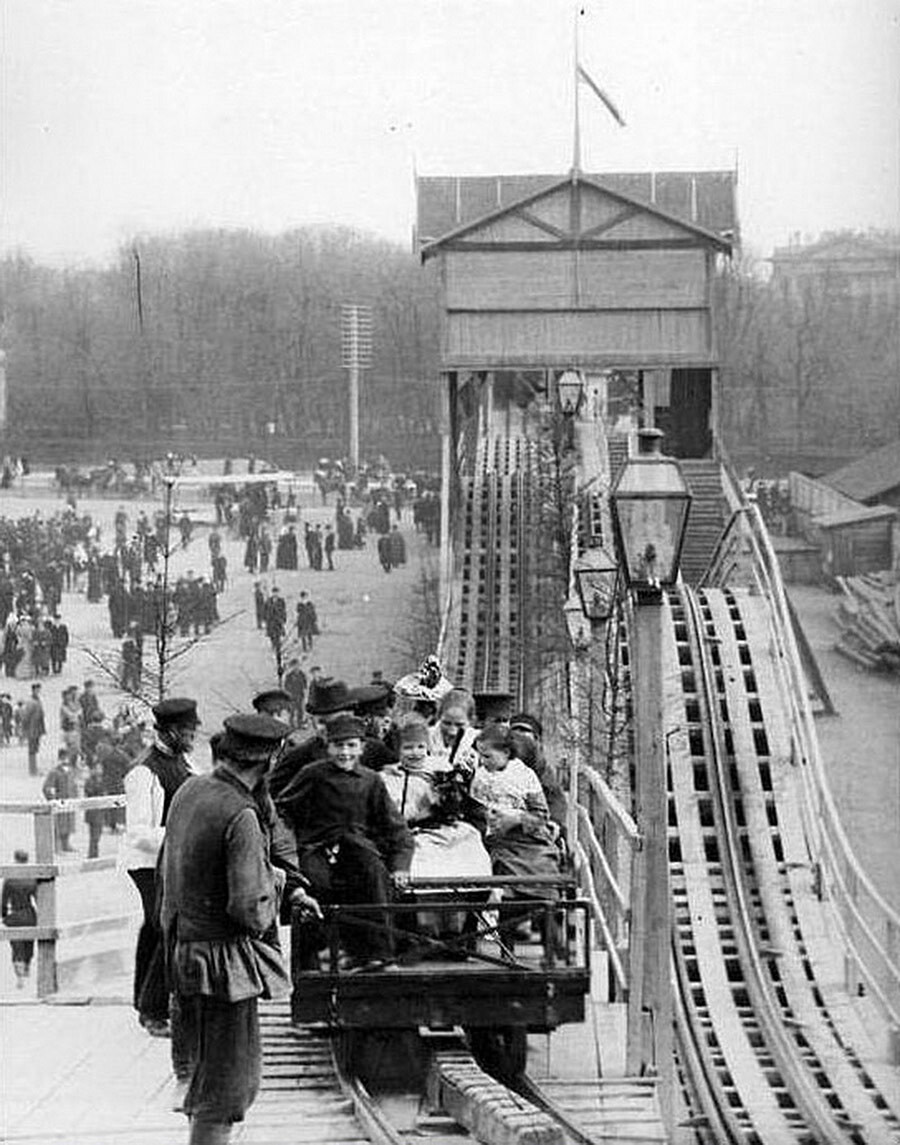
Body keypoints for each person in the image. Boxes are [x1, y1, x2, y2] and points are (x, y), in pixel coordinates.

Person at [161, 714, 319, 1145]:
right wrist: (280, 884)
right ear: (267, 762)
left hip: (184, 952)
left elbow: (175, 873)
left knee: (201, 1075)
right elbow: (249, 908)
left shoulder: (190, 790)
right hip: (223, 967)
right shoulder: (242, 814)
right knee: (227, 1086)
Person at [279, 713, 413, 972]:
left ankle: (378, 954)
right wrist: (293, 839)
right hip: (317, 845)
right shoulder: (311, 774)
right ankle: (311, 957)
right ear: (328, 747)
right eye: (338, 745)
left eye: (351, 745)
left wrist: (400, 865)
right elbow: (283, 808)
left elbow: (395, 827)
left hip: (357, 846)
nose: (345, 752)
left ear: (362, 748)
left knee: (375, 876)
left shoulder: (371, 780)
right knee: (311, 882)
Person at [121, 697, 200, 1037]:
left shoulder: (187, 764)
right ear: (169, 731)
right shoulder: (144, 772)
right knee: (164, 924)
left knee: (154, 926)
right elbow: (138, 833)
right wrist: (181, 834)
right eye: (187, 731)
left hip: (174, 860)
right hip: (147, 863)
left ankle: (143, 998)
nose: (192, 737)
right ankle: (154, 1010)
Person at [2, 850, 37, 988]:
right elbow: (39, 899)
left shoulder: (9, 880)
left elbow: (3, 901)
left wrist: (4, 915)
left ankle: (20, 976)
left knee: (16, 946)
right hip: (29, 914)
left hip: (15, 915)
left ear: (16, 860)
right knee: (29, 943)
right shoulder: (32, 878)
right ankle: (27, 965)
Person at [42, 750, 78, 852]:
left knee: (69, 824)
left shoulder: (71, 771)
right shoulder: (54, 772)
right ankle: (57, 847)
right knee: (58, 824)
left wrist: (76, 798)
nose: (66, 760)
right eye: (64, 758)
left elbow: (74, 785)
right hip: (59, 802)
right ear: (60, 758)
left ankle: (66, 844)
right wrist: (52, 799)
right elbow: (47, 787)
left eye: (67, 757)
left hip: (70, 802)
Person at [21, 681, 46, 776]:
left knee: (35, 748)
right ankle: (32, 770)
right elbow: (26, 716)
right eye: (37, 689)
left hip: (37, 728)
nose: (38, 691)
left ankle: (34, 768)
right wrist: (25, 729)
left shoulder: (38, 700)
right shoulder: (31, 702)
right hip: (32, 728)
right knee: (32, 749)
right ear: (33, 690)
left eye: (39, 689)